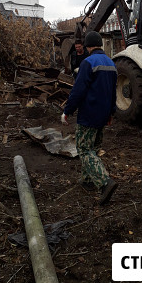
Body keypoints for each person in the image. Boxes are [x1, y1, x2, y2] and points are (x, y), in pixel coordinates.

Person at [61, 31, 118, 205]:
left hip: (89, 113)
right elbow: (112, 92)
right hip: (103, 114)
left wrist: (67, 111)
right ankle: (87, 181)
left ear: (88, 46)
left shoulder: (88, 62)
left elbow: (78, 91)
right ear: (100, 44)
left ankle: (104, 182)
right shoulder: (111, 63)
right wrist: (111, 113)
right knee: (94, 147)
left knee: (84, 149)